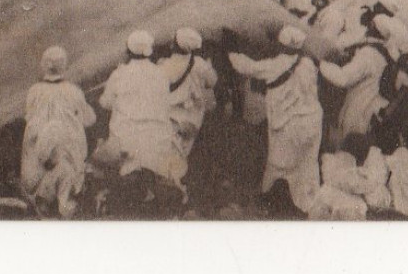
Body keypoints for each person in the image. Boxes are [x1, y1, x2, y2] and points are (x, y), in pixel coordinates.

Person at [229, 26, 323, 214]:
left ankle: (270, 201)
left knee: (278, 165)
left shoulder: (277, 64)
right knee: (307, 166)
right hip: (312, 120)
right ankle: (308, 206)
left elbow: (245, 67)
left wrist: (231, 50)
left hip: (289, 123)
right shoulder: (307, 63)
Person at [97, 30, 185, 189]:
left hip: (125, 137)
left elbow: (105, 103)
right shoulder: (161, 74)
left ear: (128, 51)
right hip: (158, 136)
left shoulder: (119, 73)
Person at [21, 46, 96, 218]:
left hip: (38, 163)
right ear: (64, 66)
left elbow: (29, 118)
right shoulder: (73, 91)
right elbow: (89, 119)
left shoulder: (34, 91)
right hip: (68, 158)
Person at [318, 30, 394, 150]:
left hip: (358, 111)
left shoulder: (369, 54)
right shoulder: (384, 54)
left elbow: (343, 78)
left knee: (346, 150)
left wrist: (320, 64)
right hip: (368, 111)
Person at [161, 28, 217, 178]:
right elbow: (212, 81)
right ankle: (175, 178)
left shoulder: (164, 65)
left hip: (170, 114)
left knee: (170, 149)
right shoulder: (199, 64)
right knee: (183, 149)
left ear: (176, 45)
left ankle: (170, 179)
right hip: (193, 116)